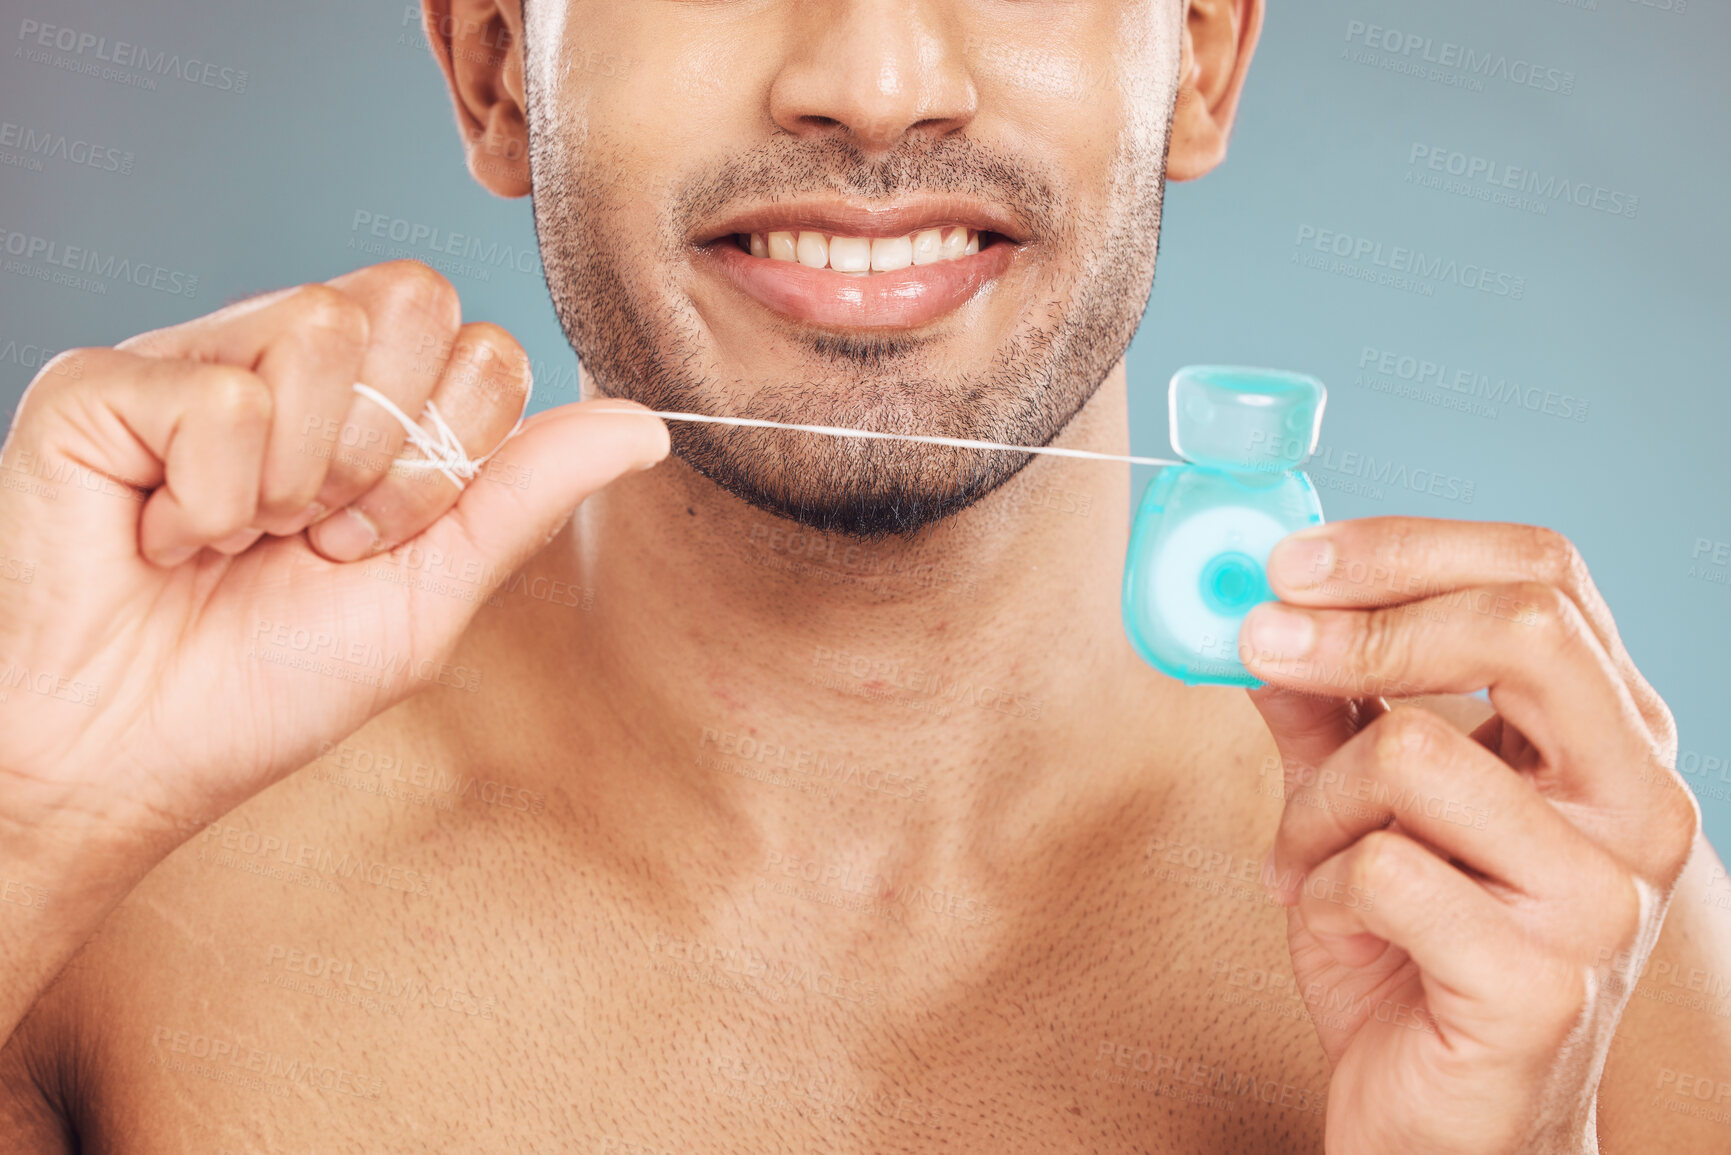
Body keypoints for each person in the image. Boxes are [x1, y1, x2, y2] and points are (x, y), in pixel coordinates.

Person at [1, 1, 1725, 1150]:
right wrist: (26, 827)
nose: (878, 77)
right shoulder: (116, 883)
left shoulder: (1561, 955)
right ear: (498, 63)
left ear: (1197, 55)